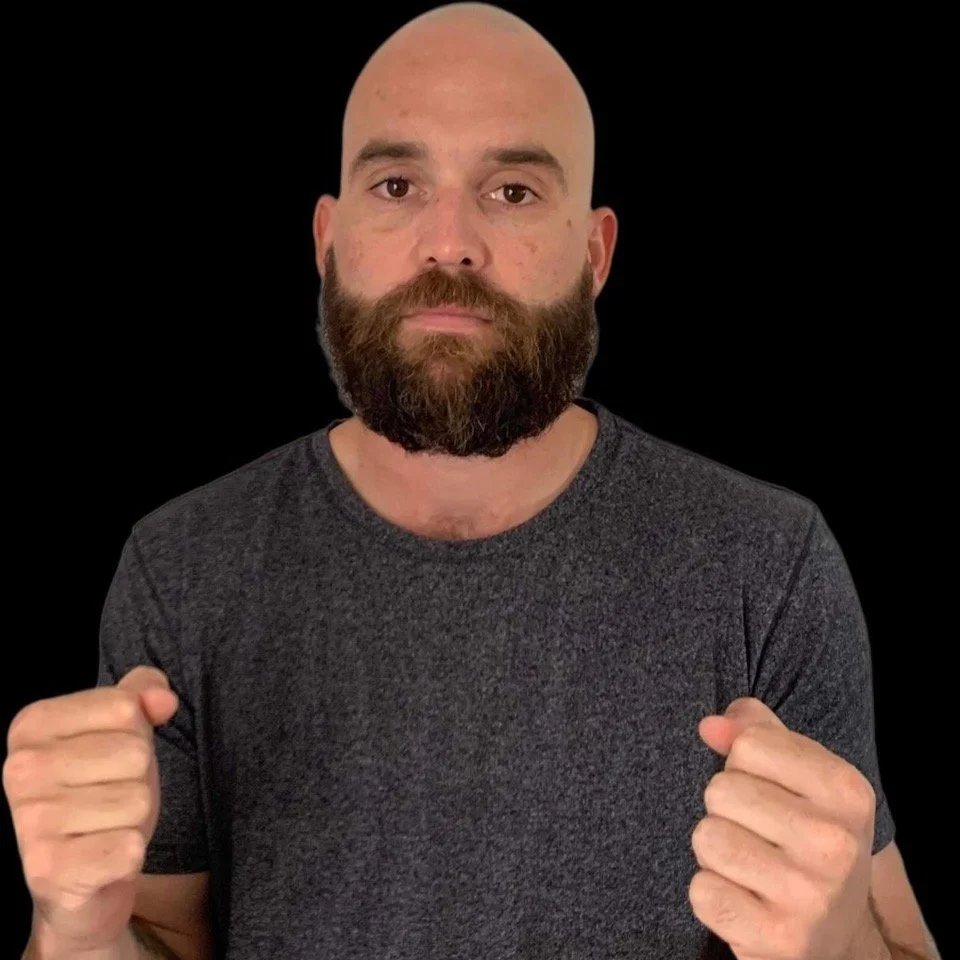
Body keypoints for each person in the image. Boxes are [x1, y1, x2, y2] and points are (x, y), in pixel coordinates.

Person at [9, 3, 937, 959]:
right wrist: (76, 932)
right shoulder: (182, 568)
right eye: (399, 182)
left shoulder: (768, 565)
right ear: (328, 241)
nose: (449, 243)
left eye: (515, 193)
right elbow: (158, 934)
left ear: (595, 253)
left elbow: (892, 944)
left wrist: (839, 948)